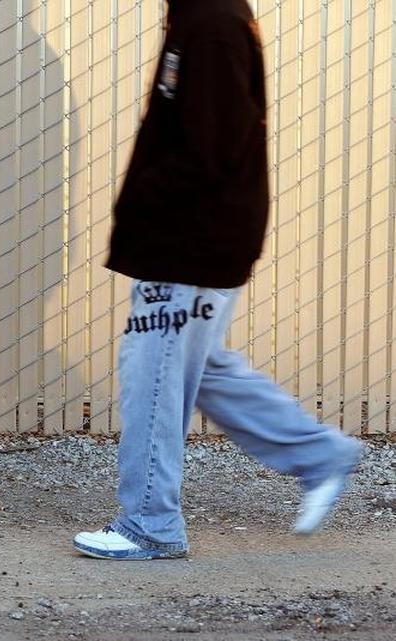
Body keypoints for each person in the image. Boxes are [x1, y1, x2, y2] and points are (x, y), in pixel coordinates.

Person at [73, 0, 363, 560]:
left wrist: (140, 206)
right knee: (197, 368)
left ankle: (150, 524)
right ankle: (320, 455)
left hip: (187, 243)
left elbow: (208, 150)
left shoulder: (210, 24)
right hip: (204, 236)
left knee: (153, 374)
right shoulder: (208, 15)